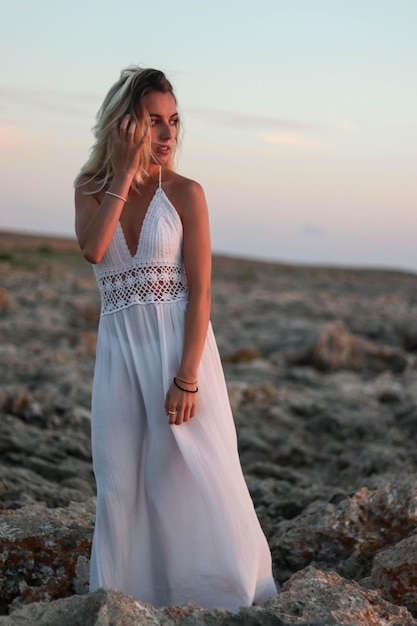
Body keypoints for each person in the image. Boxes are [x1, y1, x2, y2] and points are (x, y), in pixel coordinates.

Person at [74, 66, 277, 612]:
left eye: (173, 122)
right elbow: (94, 250)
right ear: (123, 126)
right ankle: (126, 598)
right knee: (119, 483)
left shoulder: (187, 193)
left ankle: (225, 596)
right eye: (152, 122)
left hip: (180, 358)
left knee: (200, 479)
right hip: (120, 358)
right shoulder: (91, 189)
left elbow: (202, 293)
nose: (167, 135)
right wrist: (121, 173)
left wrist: (187, 377)